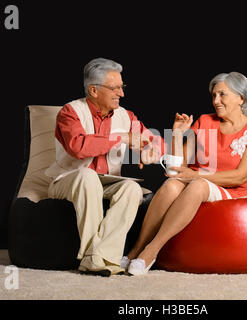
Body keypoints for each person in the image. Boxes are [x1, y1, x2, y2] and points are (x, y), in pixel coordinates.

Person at [123, 72, 247, 275]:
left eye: (222, 94)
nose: (215, 101)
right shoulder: (204, 121)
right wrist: (176, 134)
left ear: (241, 98)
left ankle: (152, 249)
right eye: (213, 95)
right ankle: (136, 249)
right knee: (172, 185)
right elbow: (175, 169)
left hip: (229, 189)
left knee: (198, 185)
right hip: (194, 181)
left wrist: (197, 176)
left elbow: (241, 176)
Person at [45, 58, 164, 277]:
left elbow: (155, 141)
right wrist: (121, 138)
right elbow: (79, 147)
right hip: (67, 180)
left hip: (107, 182)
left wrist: (152, 150)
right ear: (94, 90)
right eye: (115, 88)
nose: (122, 93)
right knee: (87, 176)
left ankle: (102, 258)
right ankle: (94, 259)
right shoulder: (69, 112)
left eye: (122, 87)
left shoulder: (126, 116)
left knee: (131, 189)